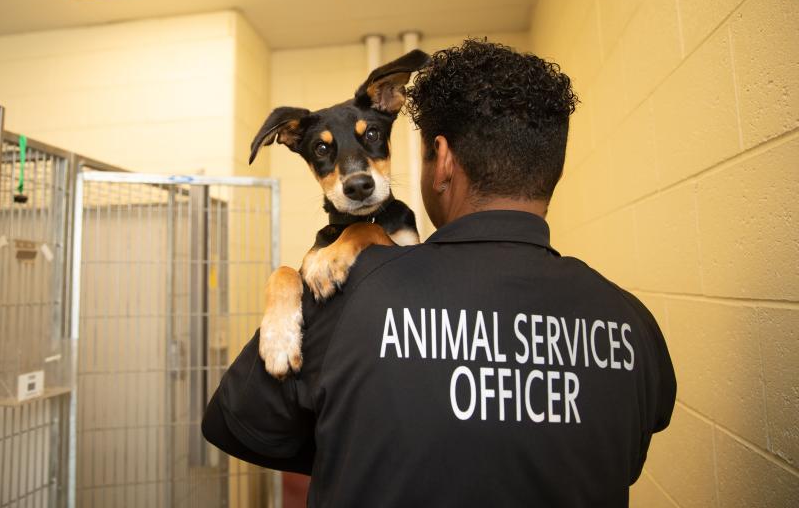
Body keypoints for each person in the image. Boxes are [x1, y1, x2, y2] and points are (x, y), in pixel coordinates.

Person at [202, 39, 676, 507]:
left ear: (443, 160)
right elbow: (626, 456)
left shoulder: (347, 300)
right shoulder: (634, 324)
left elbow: (234, 423)